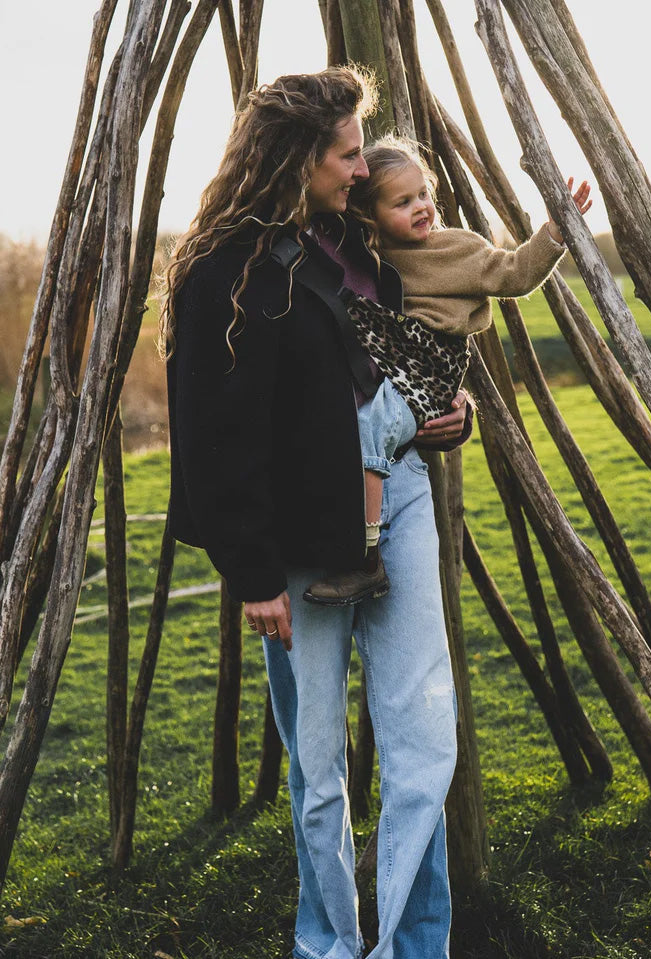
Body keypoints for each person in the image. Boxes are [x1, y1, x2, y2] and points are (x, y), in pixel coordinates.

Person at [161, 67, 471, 959]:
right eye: (344, 155)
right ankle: (330, 943)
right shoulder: (225, 272)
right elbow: (216, 436)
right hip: (296, 545)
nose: (359, 172)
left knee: (423, 746)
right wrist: (252, 573)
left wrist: (454, 413)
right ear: (298, 158)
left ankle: (412, 947)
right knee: (320, 768)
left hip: (399, 501)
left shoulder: (357, 243)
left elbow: (417, 345)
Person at [304, 138, 591, 606]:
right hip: (396, 359)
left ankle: (363, 556)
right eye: (402, 202)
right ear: (370, 215)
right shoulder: (371, 256)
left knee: (368, 426)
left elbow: (516, 273)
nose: (420, 208)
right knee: (362, 422)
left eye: (423, 194)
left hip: (433, 362)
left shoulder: (460, 248)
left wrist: (554, 233)